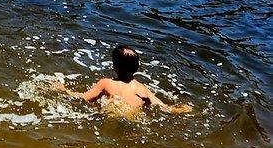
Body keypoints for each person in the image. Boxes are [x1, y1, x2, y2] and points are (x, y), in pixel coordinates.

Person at [54, 45, 193, 114]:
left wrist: (63, 90)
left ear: (114, 66)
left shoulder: (106, 83)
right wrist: (181, 109)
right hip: (135, 116)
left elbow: (83, 98)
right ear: (137, 68)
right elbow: (164, 108)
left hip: (116, 112)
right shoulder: (142, 89)